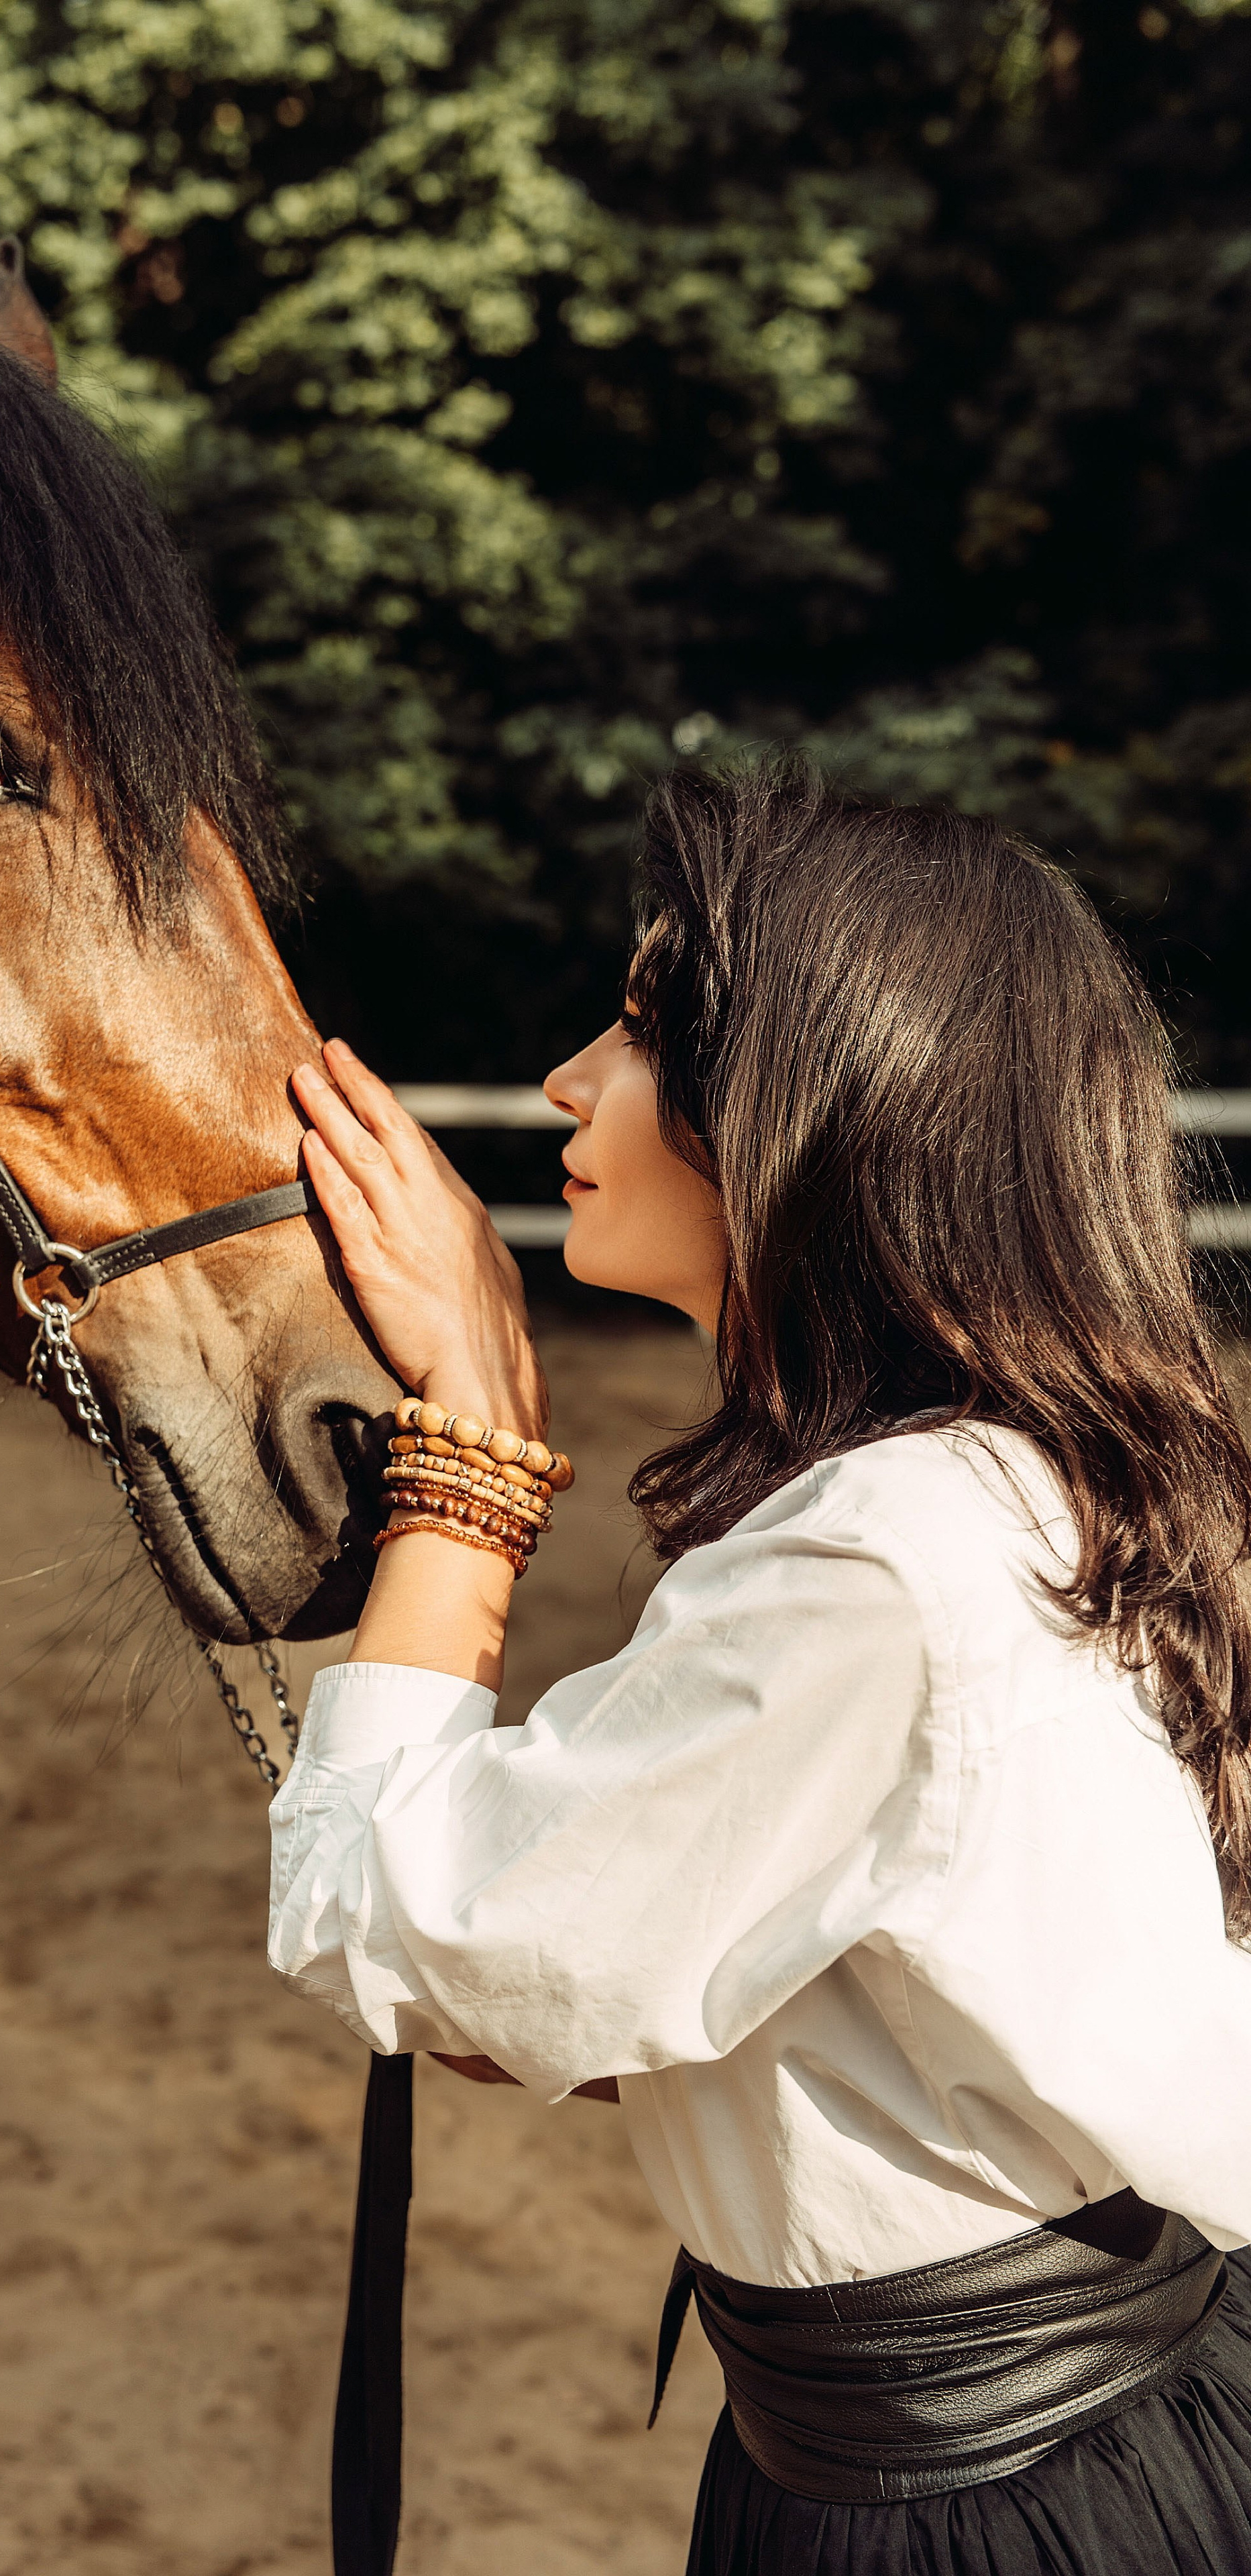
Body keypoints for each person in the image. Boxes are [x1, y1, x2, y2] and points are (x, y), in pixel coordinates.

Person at [272, 759, 1251, 2575]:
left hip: (977, 2513)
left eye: (640, 1031)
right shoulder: (1040, 1488)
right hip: (1067, 2431)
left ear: (811, 1100)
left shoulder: (882, 1559)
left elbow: (382, 1927)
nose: (571, 1077)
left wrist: (470, 1448)